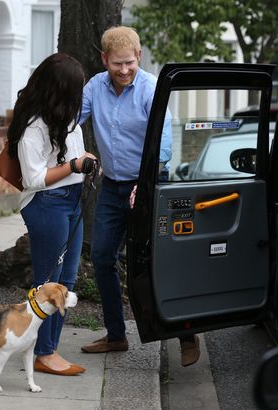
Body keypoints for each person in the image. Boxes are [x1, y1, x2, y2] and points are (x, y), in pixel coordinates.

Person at [78, 26, 200, 367]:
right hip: (113, 187)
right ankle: (116, 336)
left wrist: (144, 183)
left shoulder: (150, 89)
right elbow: (72, 120)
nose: (123, 70)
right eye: (116, 64)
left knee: (158, 262)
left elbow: (163, 145)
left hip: (148, 186)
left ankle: (186, 335)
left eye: (129, 63)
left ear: (139, 57)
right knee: (102, 257)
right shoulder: (94, 88)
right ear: (104, 59)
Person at [7, 53, 98, 376]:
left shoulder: (67, 118)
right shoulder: (34, 127)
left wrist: (84, 160)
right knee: (49, 283)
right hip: (47, 205)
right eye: (77, 89)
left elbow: (71, 158)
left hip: (71, 201)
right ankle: (43, 353)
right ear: (60, 90)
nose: (81, 95)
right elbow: (33, 178)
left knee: (67, 281)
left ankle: (46, 350)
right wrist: (73, 166)